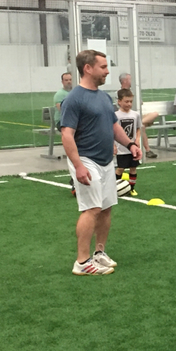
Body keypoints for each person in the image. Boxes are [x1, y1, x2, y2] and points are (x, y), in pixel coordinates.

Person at [60, 50, 142, 276]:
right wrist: (78, 166)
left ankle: (99, 253)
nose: (107, 71)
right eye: (103, 67)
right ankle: (82, 261)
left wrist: (130, 144)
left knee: (106, 208)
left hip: (106, 160)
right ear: (88, 68)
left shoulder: (104, 97)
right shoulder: (74, 99)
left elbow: (114, 126)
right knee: (92, 208)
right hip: (86, 159)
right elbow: (67, 134)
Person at [118, 72, 157, 158]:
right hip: (126, 117)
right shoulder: (119, 93)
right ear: (125, 81)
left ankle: (138, 122)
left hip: (136, 115)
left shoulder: (134, 91)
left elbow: (140, 103)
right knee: (142, 127)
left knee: (154, 114)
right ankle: (148, 150)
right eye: (130, 79)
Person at [115, 88, 142, 196]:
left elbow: (138, 128)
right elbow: (113, 131)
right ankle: (115, 187)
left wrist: (137, 139)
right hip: (121, 148)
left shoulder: (135, 114)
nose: (129, 104)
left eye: (131, 101)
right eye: (126, 101)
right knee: (120, 168)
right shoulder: (116, 115)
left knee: (133, 168)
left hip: (133, 148)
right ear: (119, 101)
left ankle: (131, 188)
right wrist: (113, 145)